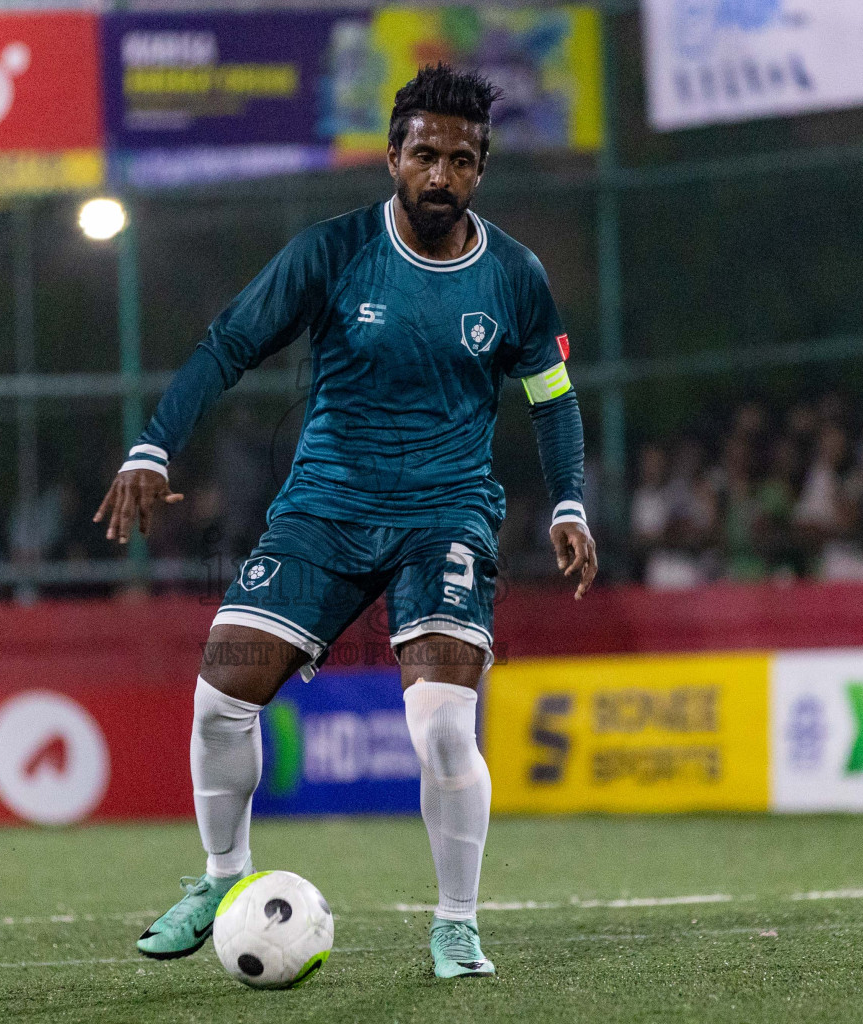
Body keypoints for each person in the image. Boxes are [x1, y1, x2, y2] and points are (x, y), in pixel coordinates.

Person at [93, 64, 595, 980]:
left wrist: (567, 499)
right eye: (423, 155)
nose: (439, 175)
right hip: (324, 509)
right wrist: (152, 448)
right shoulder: (332, 251)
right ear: (392, 158)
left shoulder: (516, 276)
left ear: (480, 168)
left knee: (444, 729)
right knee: (219, 696)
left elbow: (553, 398)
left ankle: (455, 924)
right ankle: (220, 880)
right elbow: (228, 345)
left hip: (445, 515)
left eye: (460, 159)